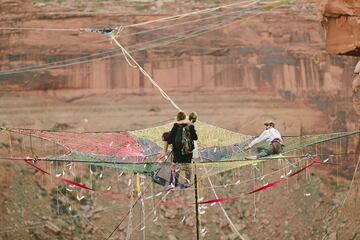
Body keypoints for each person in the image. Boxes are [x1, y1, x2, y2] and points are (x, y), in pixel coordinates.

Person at [159, 111, 198, 185]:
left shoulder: (176, 126)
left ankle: (174, 182)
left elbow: (169, 139)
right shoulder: (190, 126)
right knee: (187, 166)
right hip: (188, 153)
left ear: (177, 118)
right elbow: (195, 138)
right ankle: (188, 181)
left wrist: (167, 135)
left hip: (177, 153)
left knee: (175, 166)